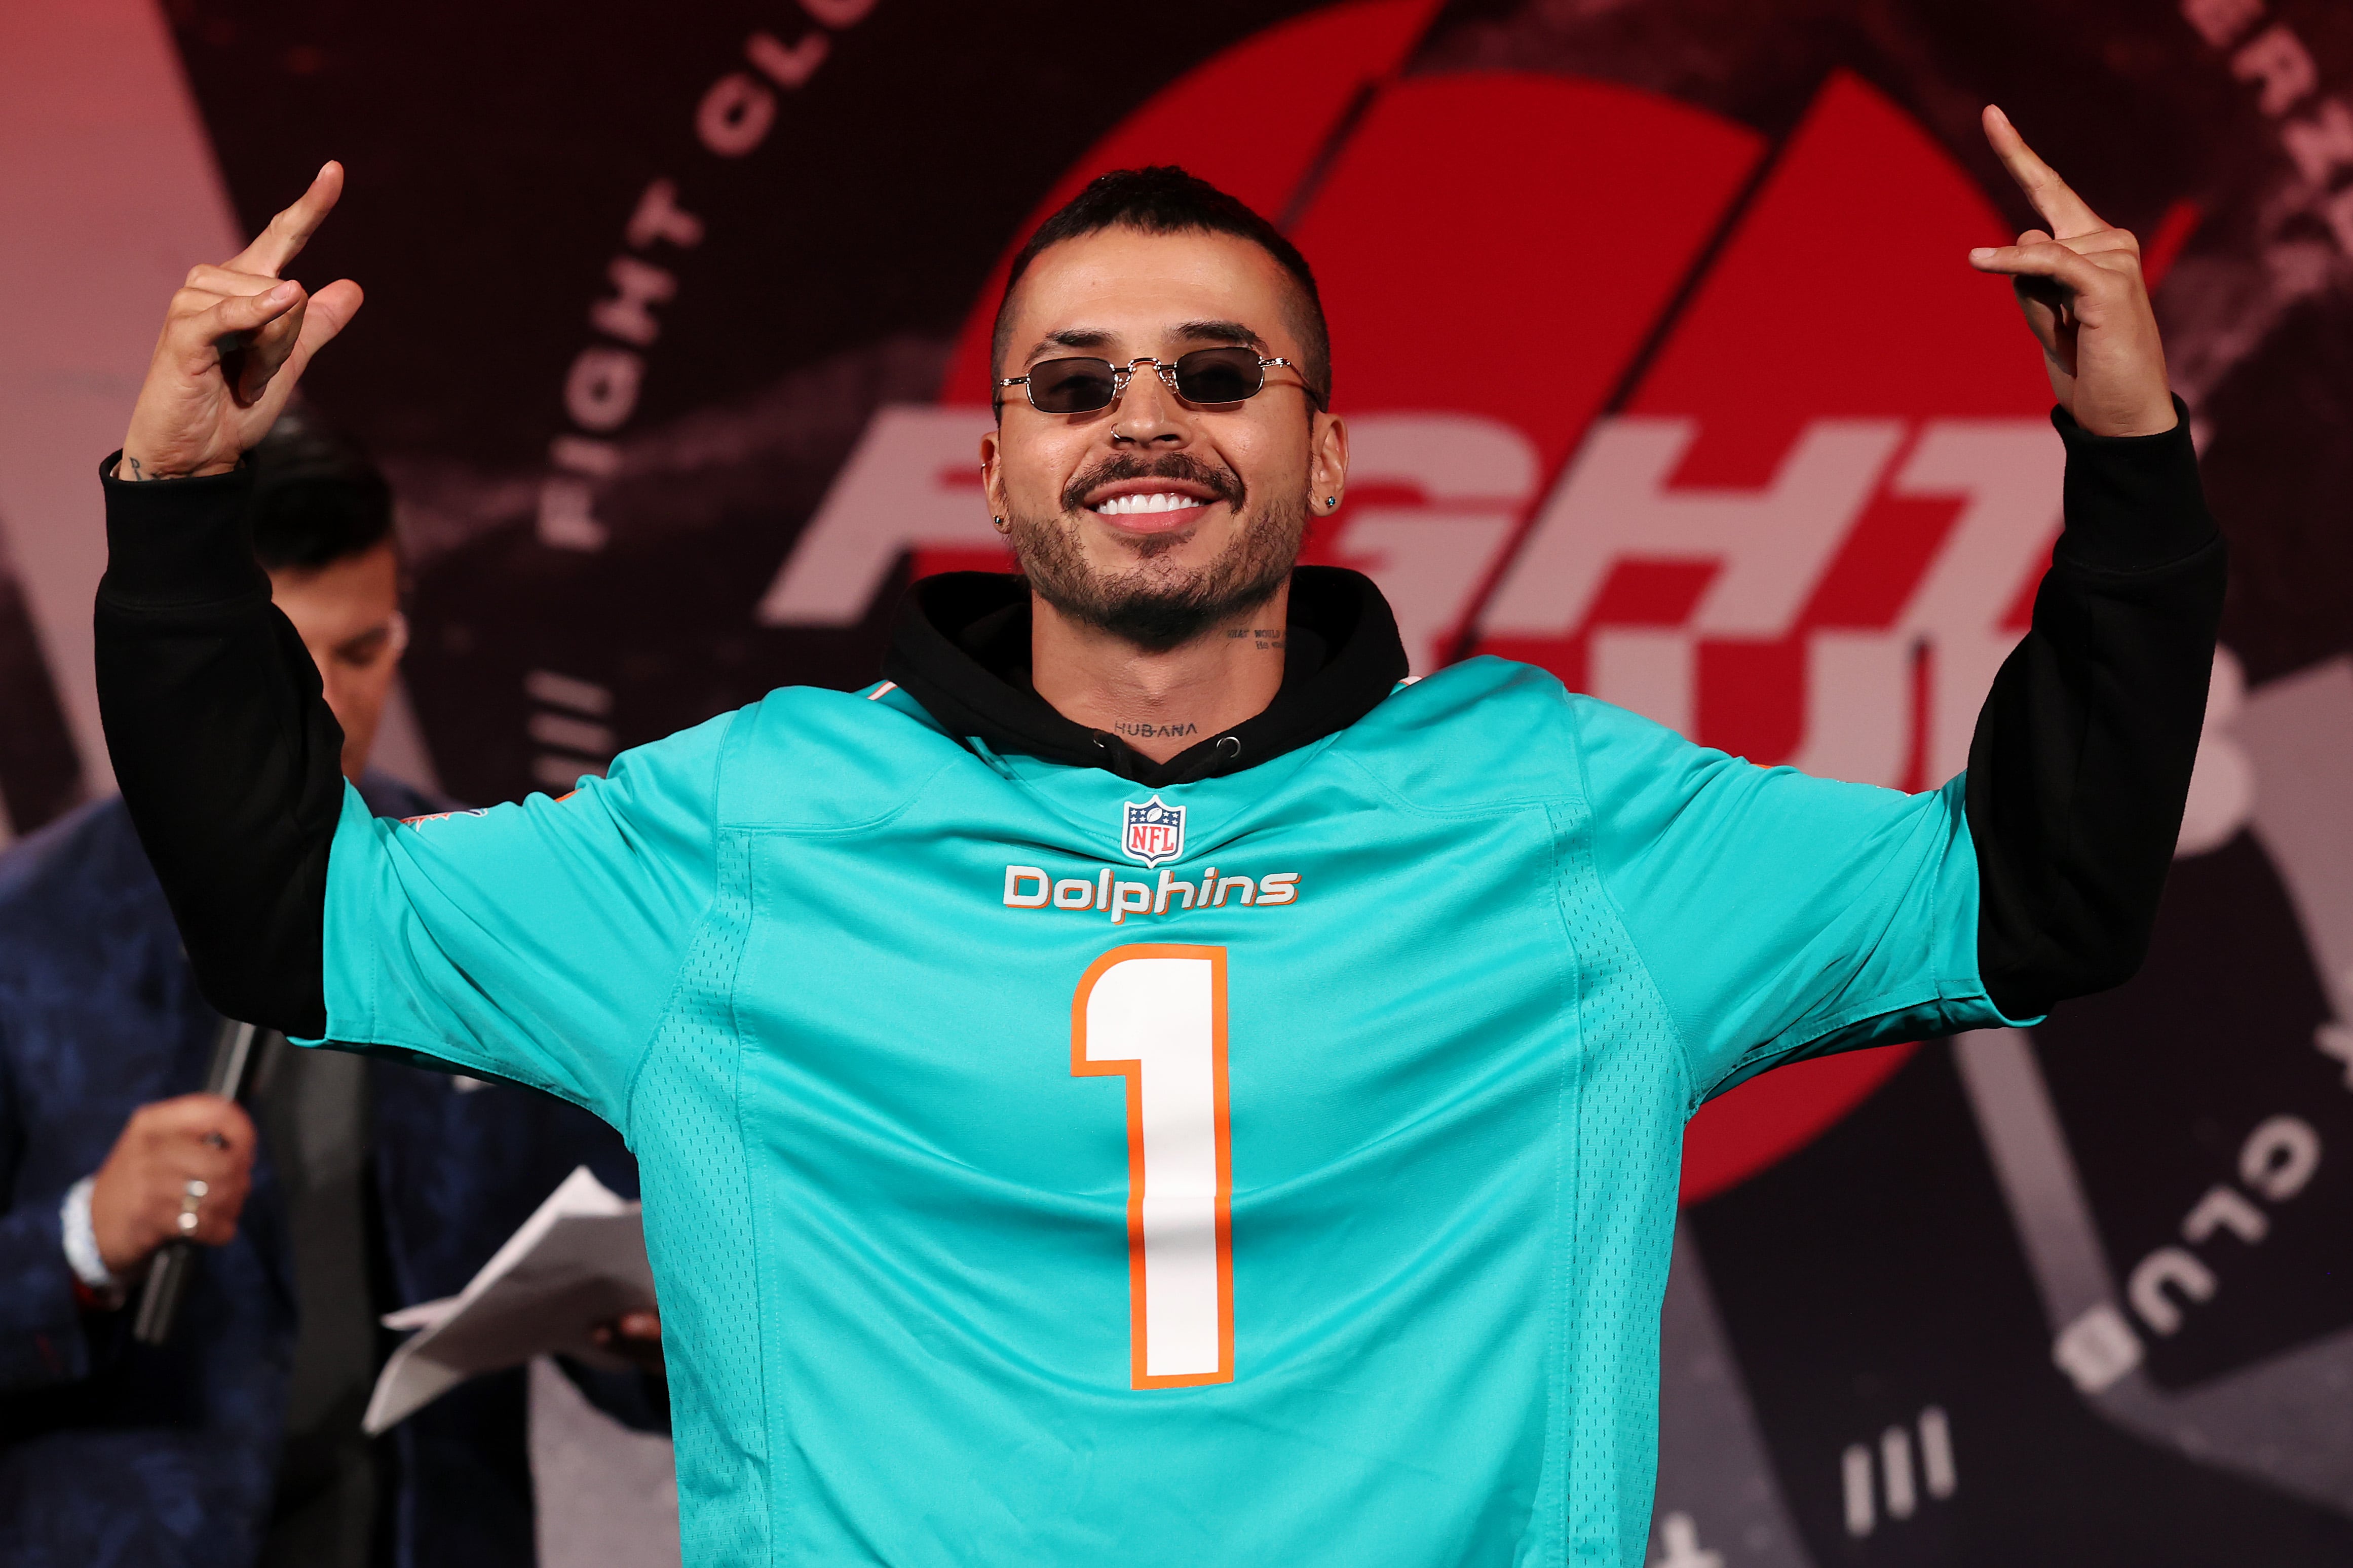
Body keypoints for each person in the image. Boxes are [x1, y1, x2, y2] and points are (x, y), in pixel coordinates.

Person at [90, 105, 2218, 1567]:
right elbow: (305, 913)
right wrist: (178, 514)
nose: (1145, 416)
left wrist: (2130, 461)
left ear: (1327, 454)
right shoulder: (758, 822)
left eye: (1218, 369)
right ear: (1000, 468)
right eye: (1076, 379)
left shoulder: (1559, 812)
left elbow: (2035, 888)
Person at [0, 412, 663, 1568]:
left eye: (360, 654)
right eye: (285, 662)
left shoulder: (494, 898)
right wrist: (82, 1243)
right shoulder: (30, 931)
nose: (325, 708)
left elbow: (621, 1322)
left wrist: (651, 1329)